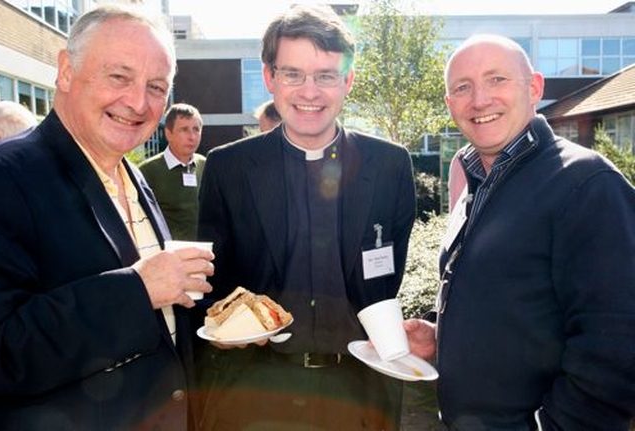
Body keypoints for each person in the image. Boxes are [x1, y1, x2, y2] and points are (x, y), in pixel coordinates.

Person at [195, 4, 416, 431]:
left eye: (326, 75)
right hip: (257, 388)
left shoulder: (389, 165)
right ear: (270, 78)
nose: (309, 92)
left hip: (360, 389)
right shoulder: (230, 168)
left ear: (347, 81)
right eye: (293, 74)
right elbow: (215, 284)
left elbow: (389, 274)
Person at [0, 5, 214, 431]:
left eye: (156, 86)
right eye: (119, 77)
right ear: (65, 71)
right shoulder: (6, 177)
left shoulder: (129, 173)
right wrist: (138, 289)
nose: (137, 102)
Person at [404, 34, 635, 431]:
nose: (479, 99)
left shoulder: (586, 184)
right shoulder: (478, 181)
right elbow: (508, 302)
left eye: (497, 79)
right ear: (450, 104)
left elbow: (617, 344)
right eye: (463, 87)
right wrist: (439, 335)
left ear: (535, 88)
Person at [139, 103, 206, 240]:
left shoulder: (206, 165)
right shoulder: (148, 171)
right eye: (184, 130)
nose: (192, 137)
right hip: (168, 256)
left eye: (196, 129)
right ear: (169, 133)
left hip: (204, 254)